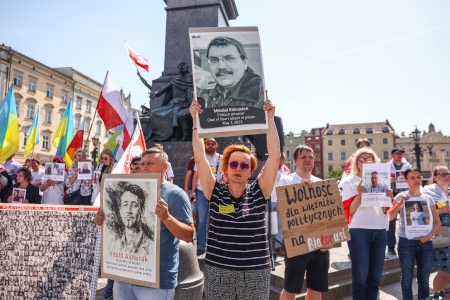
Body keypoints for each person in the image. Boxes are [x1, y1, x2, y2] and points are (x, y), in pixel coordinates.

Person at [190, 93, 279, 300]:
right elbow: (201, 159)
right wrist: (196, 121)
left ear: (251, 171)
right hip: (218, 270)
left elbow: (274, 157)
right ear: (226, 169)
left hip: (255, 271)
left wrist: (270, 119)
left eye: (245, 165)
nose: (239, 168)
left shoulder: (259, 191)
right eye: (233, 164)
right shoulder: (216, 191)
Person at [94, 147, 194, 299]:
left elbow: (188, 235)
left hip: (157, 281)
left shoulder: (176, 194)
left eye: (150, 163)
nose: (144, 167)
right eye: (143, 163)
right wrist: (102, 219)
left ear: (164, 167)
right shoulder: (128, 191)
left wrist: (167, 218)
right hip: (124, 276)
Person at [276, 146, 330, 300]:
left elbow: (328, 216)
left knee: (316, 289)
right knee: (290, 289)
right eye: (303, 157)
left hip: (320, 243)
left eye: (310, 157)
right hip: (296, 242)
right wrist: (303, 191)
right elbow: (281, 208)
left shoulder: (321, 183)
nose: (307, 160)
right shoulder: (286, 180)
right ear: (295, 161)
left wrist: (330, 239)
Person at [340, 147, 393, 300]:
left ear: (374, 162)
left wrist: (388, 197)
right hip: (358, 231)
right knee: (360, 278)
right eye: (361, 159)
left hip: (380, 229)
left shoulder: (382, 179)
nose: (364, 162)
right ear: (356, 162)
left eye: (368, 159)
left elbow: (384, 209)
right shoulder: (350, 181)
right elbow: (349, 211)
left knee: (375, 278)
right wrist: (360, 194)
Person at [389, 168, 440, 300]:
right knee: (406, 278)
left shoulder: (428, 199)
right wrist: (400, 203)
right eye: (412, 178)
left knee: (424, 278)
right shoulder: (400, 197)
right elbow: (390, 217)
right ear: (406, 180)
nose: (416, 180)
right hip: (407, 242)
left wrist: (428, 237)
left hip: (426, 243)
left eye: (418, 177)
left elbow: (437, 222)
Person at [200, 36, 264, 108]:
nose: (221, 66)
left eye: (229, 58)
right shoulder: (214, 94)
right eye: (214, 60)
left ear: (245, 63)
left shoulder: (260, 94)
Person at [146, 61, 194, 142]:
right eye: (180, 67)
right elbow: (163, 89)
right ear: (178, 69)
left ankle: (176, 134)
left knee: (176, 111)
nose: (181, 68)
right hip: (172, 104)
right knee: (155, 113)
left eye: (184, 66)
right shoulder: (175, 80)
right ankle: (158, 135)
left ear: (187, 69)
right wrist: (155, 94)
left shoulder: (191, 81)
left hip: (184, 104)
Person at [191, 137, 222, 256]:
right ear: (204, 145)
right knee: (202, 221)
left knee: (217, 219)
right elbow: (195, 176)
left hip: (217, 192)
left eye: (212, 144)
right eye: (208, 144)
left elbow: (225, 175)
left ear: (216, 145)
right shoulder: (201, 158)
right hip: (201, 192)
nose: (210, 145)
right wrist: (193, 191)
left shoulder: (221, 158)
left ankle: (216, 246)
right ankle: (202, 246)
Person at [424, 166, 450, 295]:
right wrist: (439, 211)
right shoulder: (428, 192)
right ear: (434, 177)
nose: (447, 176)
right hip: (441, 236)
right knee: (444, 273)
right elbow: (422, 214)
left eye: (448, 173)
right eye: (443, 174)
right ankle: (437, 297)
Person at [108, 183, 153, 255]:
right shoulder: (112, 244)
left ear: (142, 210)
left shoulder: (150, 246)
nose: (129, 211)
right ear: (120, 210)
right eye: (125, 205)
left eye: (134, 205)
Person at [260, 152, 290, 256]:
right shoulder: (266, 167)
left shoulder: (285, 170)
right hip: (268, 199)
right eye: (278, 163)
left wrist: (278, 172)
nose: (280, 165)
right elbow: (260, 179)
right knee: (269, 224)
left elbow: (286, 181)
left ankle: (278, 246)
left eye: (282, 163)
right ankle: (268, 247)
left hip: (280, 200)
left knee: (280, 224)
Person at [387, 147, 412, 256]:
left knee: (408, 219)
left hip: (406, 195)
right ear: (392, 155)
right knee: (391, 222)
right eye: (397, 154)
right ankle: (391, 246)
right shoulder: (387, 166)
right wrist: (389, 179)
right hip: (392, 197)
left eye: (401, 153)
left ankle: (409, 243)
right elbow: (381, 179)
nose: (399, 155)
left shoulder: (408, 167)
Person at [184, 156, 197, 227]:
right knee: (192, 214)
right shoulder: (193, 159)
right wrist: (186, 190)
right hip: (193, 191)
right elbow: (188, 175)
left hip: (206, 191)